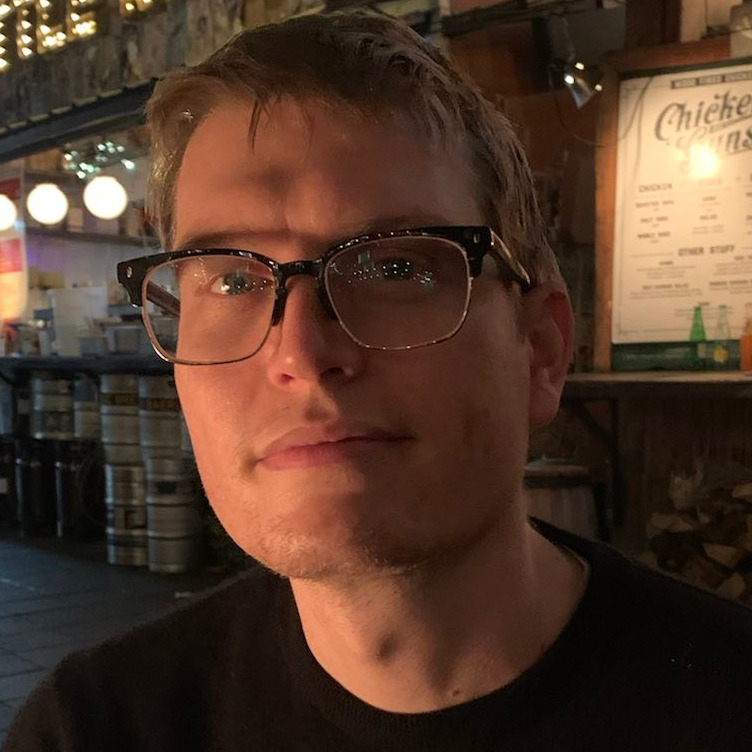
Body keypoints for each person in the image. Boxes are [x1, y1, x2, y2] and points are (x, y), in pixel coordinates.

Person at [5, 11, 752, 752]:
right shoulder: (91, 728)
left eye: (395, 267)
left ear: (541, 352)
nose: (302, 351)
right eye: (231, 281)